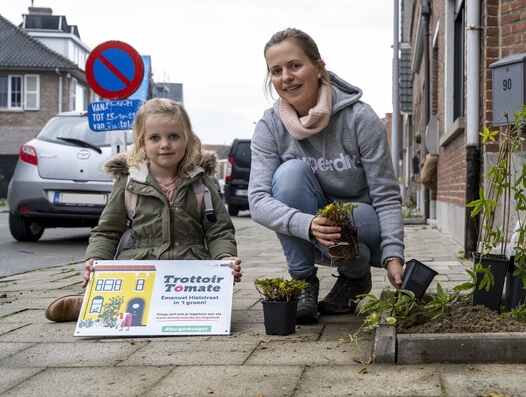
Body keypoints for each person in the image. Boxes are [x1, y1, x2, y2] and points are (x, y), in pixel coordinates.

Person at [249, 28, 404, 325]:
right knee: (289, 173)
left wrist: (393, 256)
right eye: (276, 71)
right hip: (309, 228)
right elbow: (257, 201)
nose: (286, 77)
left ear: (318, 68)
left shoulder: (360, 118)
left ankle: (355, 277)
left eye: (295, 66)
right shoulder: (270, 125)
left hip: (362, 223)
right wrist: (306, 224)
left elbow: (386, 194)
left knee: (349, 215)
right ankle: (304, 281)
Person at [45, 98, 242, 322]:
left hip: (188, 270)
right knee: (127, 302)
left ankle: (161, 306)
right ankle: (87, 303)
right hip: (138, 267)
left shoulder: (201, 183)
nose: (165, 144)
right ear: (142, 142)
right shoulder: (129, 183)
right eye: (155, 138)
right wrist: (96, 261)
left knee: (197, 309)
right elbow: (107, 231)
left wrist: (225, 258)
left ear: (186, 139)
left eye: (173, 136)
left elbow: (219, 230)